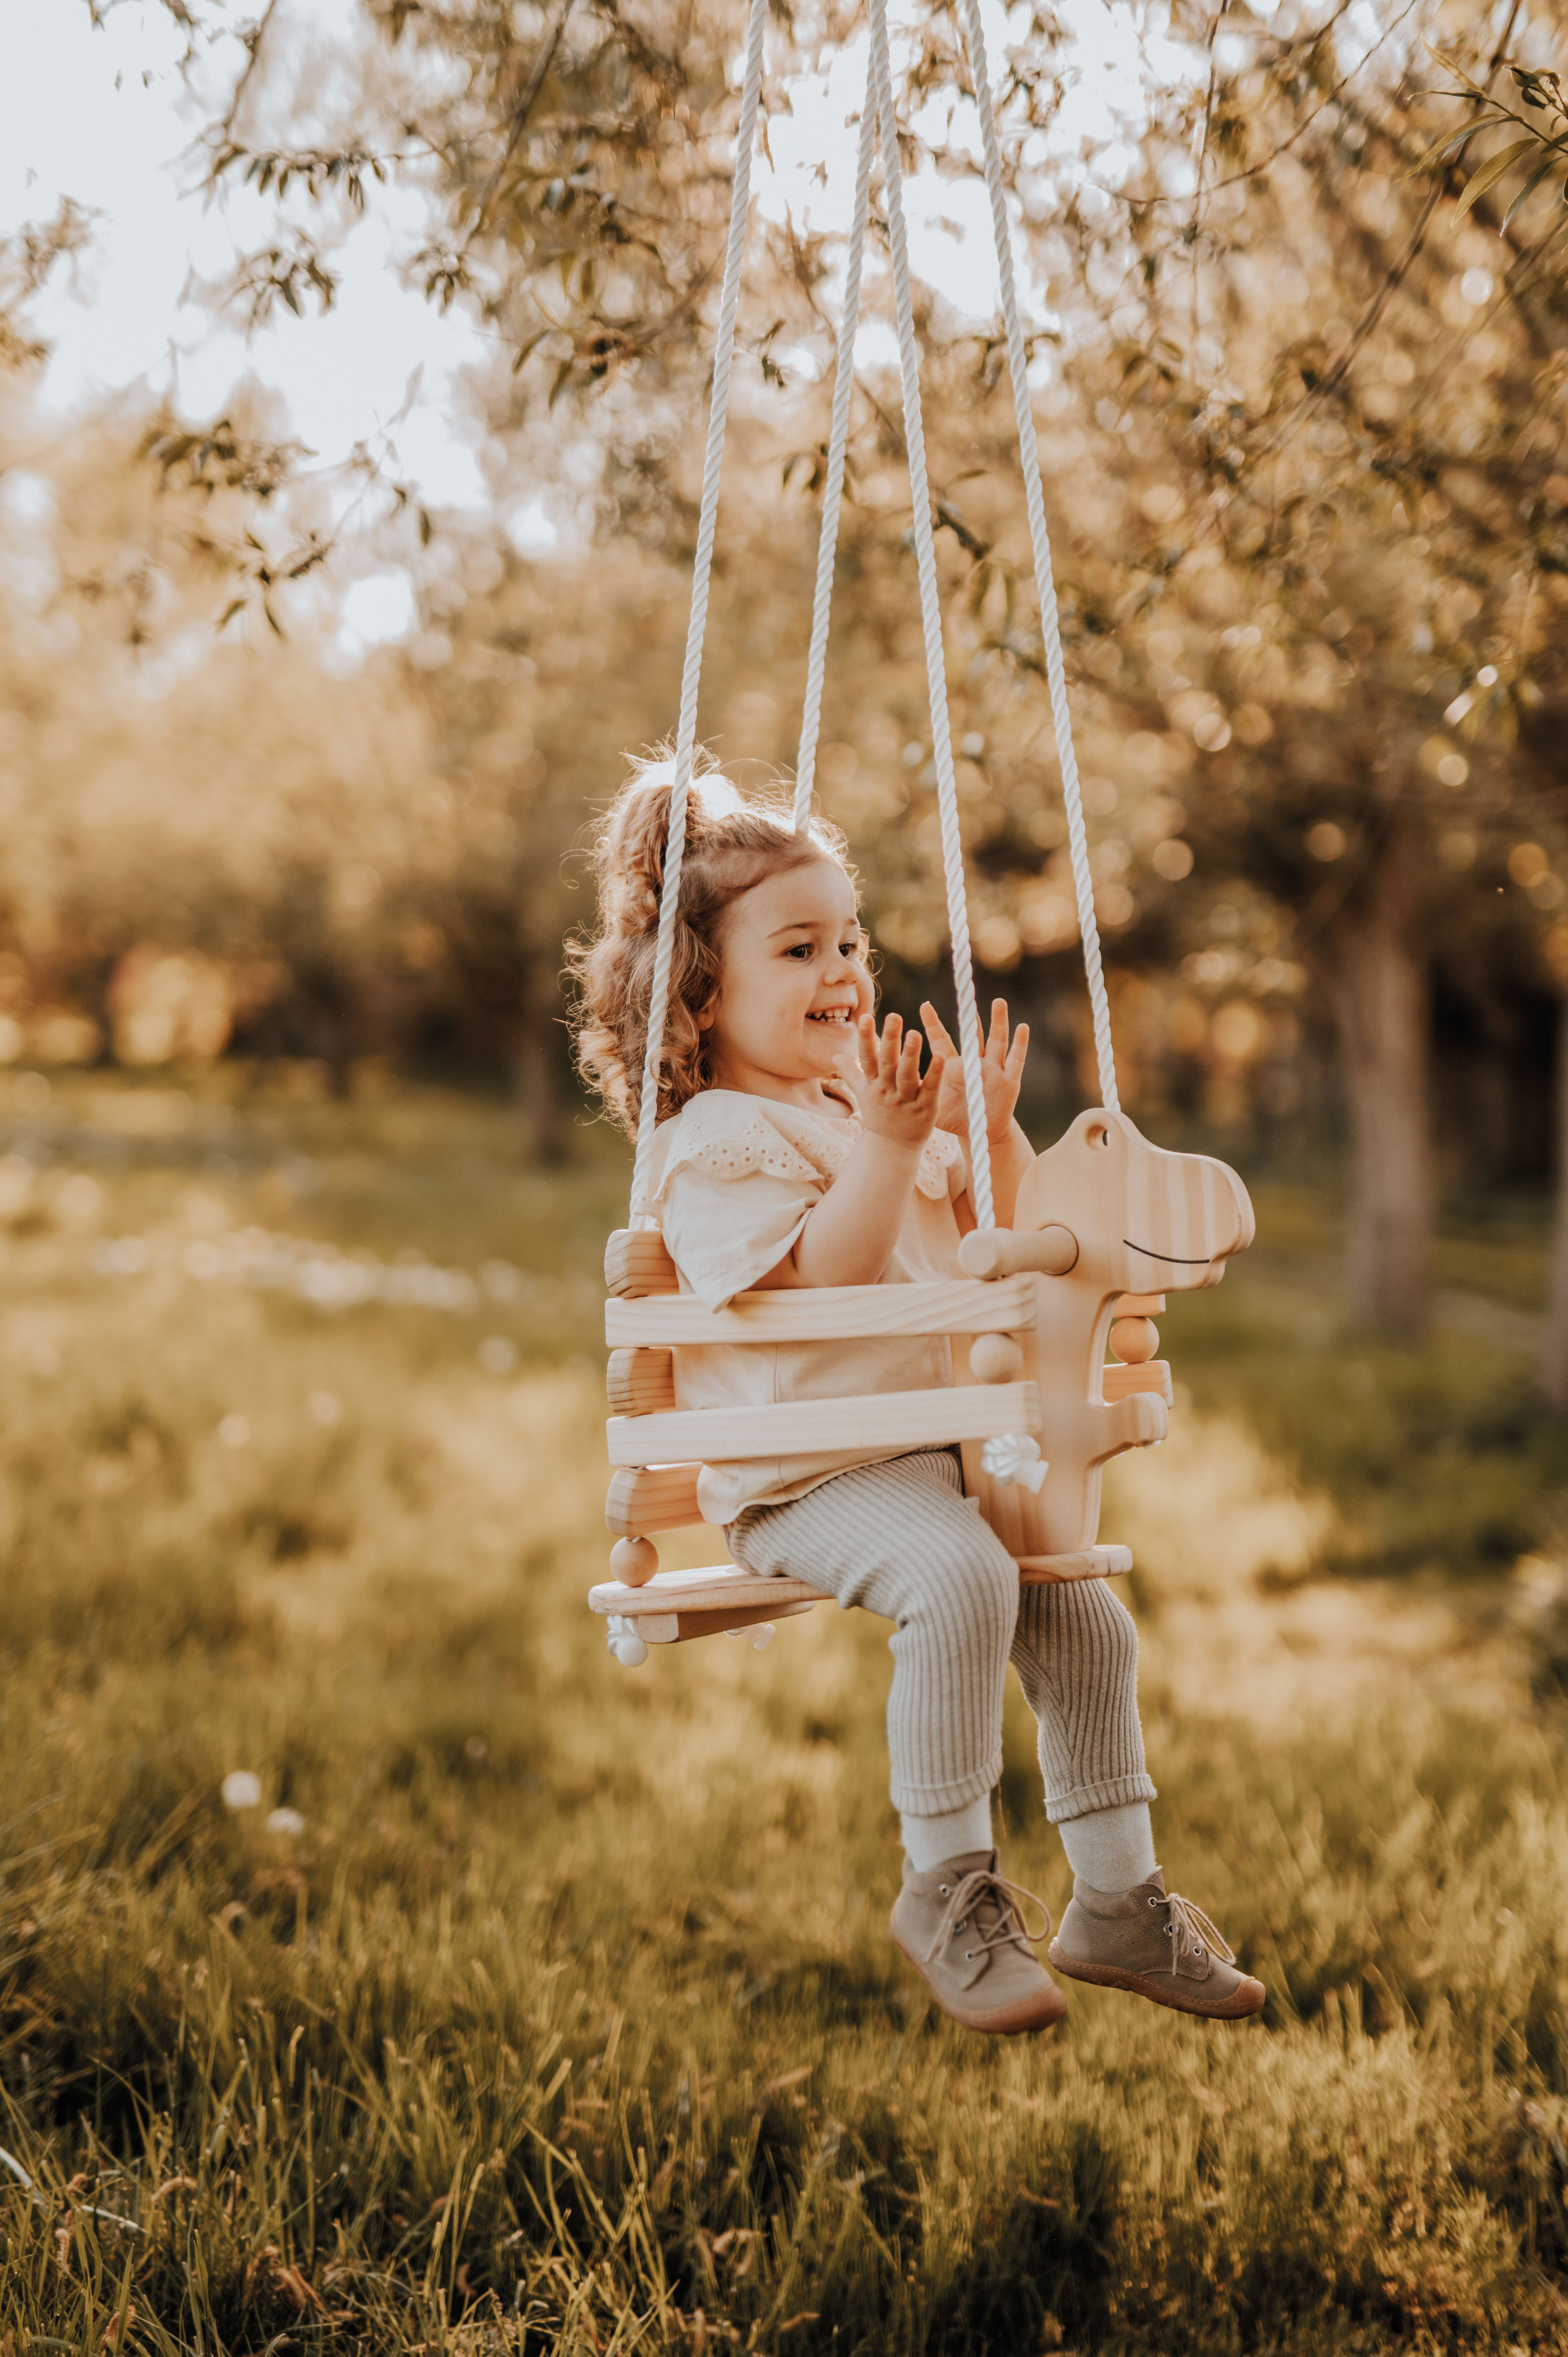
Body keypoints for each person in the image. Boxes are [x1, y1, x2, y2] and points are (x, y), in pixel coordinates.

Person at [570, 758, 1263, 2032]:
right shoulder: (714, 1141)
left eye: (850, 940)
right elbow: (823, 1278)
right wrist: (892, 1146)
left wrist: (986, 1132)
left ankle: (1118, 1903)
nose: (842, 970)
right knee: (962, 1582)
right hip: (807, 1481)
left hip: (933, 1458)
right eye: (797, 947)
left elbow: (987, 1232)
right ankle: (943, 1889)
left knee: (1084, 1621)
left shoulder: (853, 1109)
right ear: (700, 990)